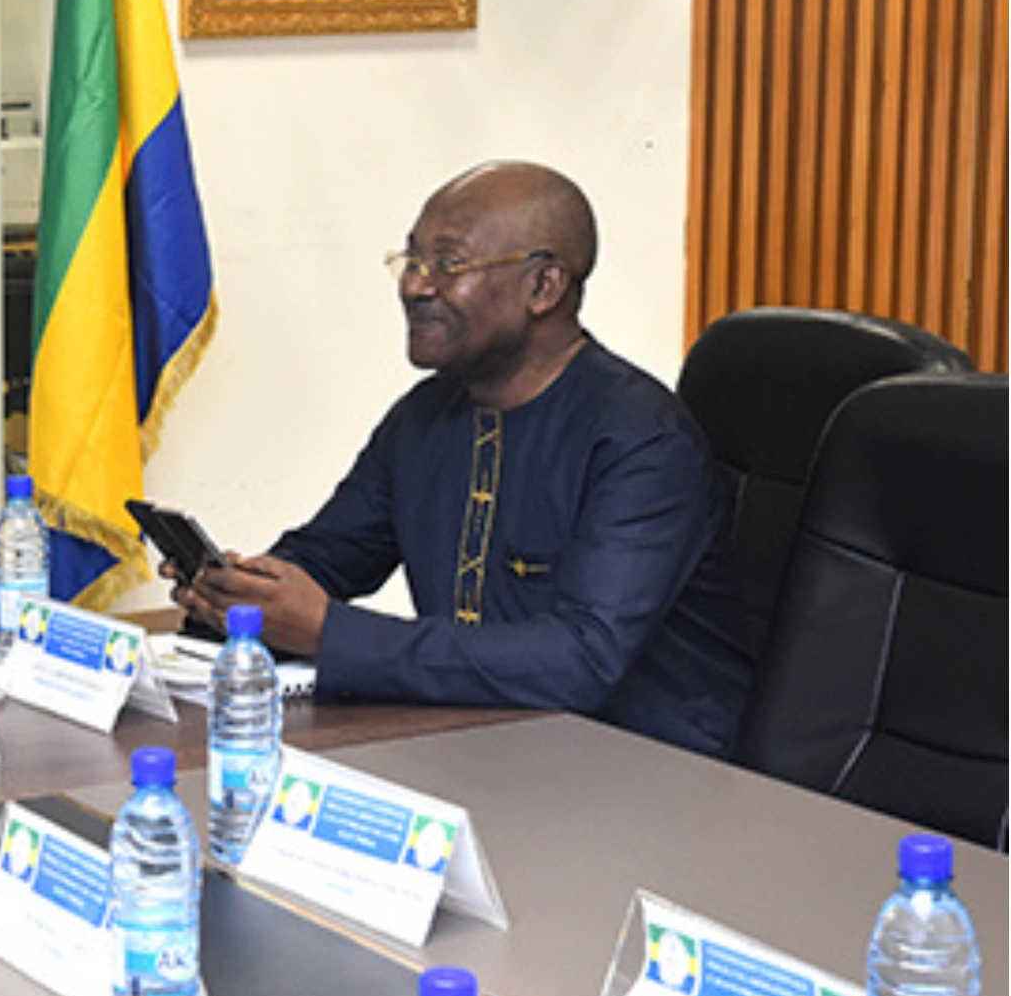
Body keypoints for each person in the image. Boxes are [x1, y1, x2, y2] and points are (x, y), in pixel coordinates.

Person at [169, 162, 754, 756]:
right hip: (480, 744)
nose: (414, 286)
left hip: (645, 773)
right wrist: (234, 592)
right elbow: (330, 556)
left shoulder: (641, 440)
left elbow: (581, 659)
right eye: (411, 260)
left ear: (543, 287)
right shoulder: (427, 415)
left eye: (448, 265)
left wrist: (328, 632)